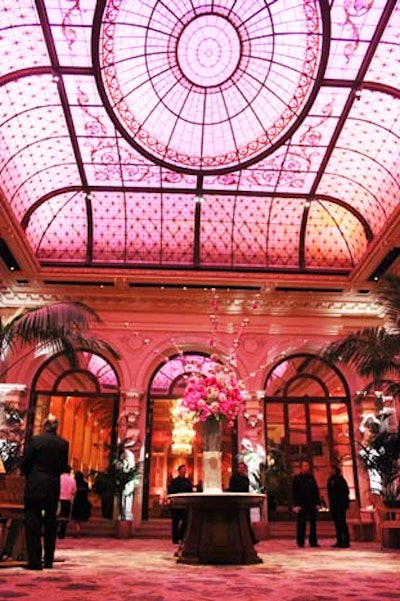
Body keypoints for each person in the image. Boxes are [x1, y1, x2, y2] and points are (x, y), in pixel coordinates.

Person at [21, 414, 69, 570]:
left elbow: (25, 463)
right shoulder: (63, 444)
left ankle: (35, 562)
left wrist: (30, 475)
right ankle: (48, 560)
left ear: (44, 425)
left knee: (33, 522)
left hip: (35, 485)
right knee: (50, 523)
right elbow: (63, 467)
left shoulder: (36, 440)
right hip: (53, 485)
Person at [292, 459, 321, 548]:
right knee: (301, 524)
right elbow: (294, 492)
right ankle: (300, 542)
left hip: (311, 504)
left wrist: (317, 503)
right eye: (305, 466)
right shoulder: (296, 479)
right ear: (300, 467)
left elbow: (315, 491)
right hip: (301, 505)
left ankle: (313, 541)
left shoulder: (311, 478)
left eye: (307, 466)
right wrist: (296, 505)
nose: (306, 468)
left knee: (313, 524)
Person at [228, 461, 259, 544]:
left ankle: (250, 538)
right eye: (240, 468)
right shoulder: (234, 478)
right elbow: (232, 490)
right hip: (237, 502)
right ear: (238, 469)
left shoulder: (246, 478)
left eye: (243, 468)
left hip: (244, 502)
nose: (242, 469)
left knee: (246, 520)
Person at [167, 464, 192, 552]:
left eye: (185, 470)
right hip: (176, 505)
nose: (184, 471)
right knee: (175, 522)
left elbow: (190, 492)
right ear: (179, 471)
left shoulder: (188, 482)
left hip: (185, 506)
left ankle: (181, 536)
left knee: (185, 521)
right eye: (183, 470)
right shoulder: (174, 482)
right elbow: (171, 492)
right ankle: (175, 539)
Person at [327, 465, 350, 548]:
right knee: (337, 523)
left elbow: (345, 492)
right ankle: (339, 540)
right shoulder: (330, 480)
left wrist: (344, 503)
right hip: (334, 505)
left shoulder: (340, 479)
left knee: (342, 523)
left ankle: (346, 541)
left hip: (340, 505)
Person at [58, 465, 77, 539]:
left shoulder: (59, 478)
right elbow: (74, 490)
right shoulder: (72, 480)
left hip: (58, 499)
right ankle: (62, 534)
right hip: (67, 500)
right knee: (65, 517)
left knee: (56, 516)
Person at [71, 471, 91, 538]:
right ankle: (79, 530)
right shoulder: (85, 484)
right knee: (80, 517)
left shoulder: (75, 483)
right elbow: (88, 492)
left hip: (77, 502)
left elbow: (73, 491)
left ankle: (78, 530)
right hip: (84, 502)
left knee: (77, 518)